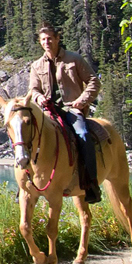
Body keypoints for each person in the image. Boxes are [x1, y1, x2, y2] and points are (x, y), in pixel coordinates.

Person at [27, 24, 101, 203]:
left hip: (71, 109)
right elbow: (33, 90)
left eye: (50, 39)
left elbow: (93, 81)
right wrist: (39, 99)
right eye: (43, 40)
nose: (47, 42)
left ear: (57, 38)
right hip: (48, 111)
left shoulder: (74, 59)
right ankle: (25, 183)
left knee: (82, 134)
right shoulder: (36, 66)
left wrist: (81, 101)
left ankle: (91, 183)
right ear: (40, 42)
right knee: (28, 135)